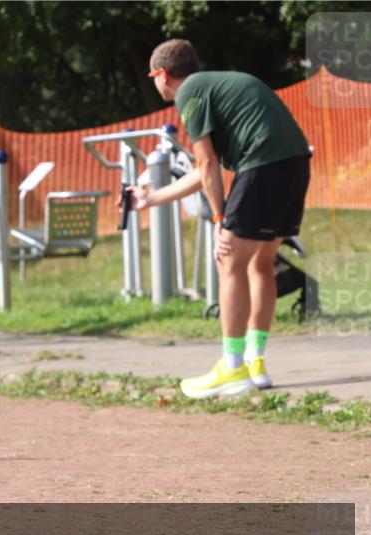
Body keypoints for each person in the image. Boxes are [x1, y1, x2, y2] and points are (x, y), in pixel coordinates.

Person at [126, 39, 311, 399]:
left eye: (152, 76)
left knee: (229, 260)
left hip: (264, 165)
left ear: (162, 73)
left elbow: (210, 165)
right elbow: (202, 169)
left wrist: (219, 220)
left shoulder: (189, 93)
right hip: (295, 163)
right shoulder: (218, 85)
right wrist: (151, 199)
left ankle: (231, 367)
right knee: (261, 263)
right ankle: (255, 363)